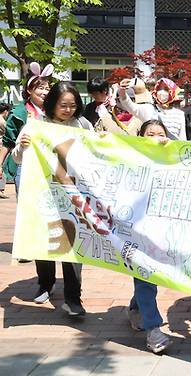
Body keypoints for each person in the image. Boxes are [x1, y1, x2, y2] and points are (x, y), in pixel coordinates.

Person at [12, 81, 92, 316]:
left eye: (72, 105)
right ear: (51, 105)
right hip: (43, 194)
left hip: (72, 194)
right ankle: (45, 284)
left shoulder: (81, 124)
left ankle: (73, 298)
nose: (67, 110)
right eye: (63, 105)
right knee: (45, 240)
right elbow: (17, 159)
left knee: (73, 244)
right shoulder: (36, 125)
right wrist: (23, 147)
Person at [126, 119, 174, 354]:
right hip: (135, 230)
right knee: (145, 277)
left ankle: (136, 308)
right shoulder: (129, 157)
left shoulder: (172, 160)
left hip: (161, 230)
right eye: (150, 134)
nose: (156, 138)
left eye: (160, 134)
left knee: (147, 277)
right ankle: (153, 331)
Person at [1, 62, 52, 194]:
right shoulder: (19, 113)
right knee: (26, 207)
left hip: (49, 164)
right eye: (40, 88)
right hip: (24, 163)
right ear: (29, 90)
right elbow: (8, 142)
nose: (45, 92)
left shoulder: (53, 112)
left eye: (47, 88)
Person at [118, 77, 187, 140]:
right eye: (159, 89)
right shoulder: (148, 109)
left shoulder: (179, 114)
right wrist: (122, 90)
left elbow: (183, 138)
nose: (162, 92)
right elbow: (128, 105)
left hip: (170, 152)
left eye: (166, 89)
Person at [0, 102, 11, 199]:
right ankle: (0, 190)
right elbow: (9, 133)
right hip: (2, 147)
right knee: (2, 167)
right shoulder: (2, 122)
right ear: (5, 111)